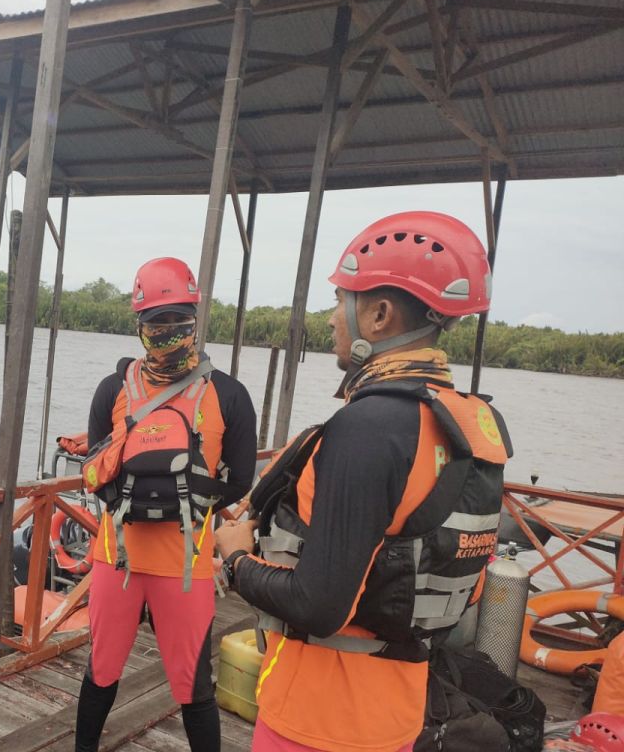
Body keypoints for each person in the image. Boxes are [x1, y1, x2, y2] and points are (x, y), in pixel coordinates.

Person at [213, 211, 512, 752]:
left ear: (379, 314)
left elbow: (319, 605)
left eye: (339, 301)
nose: (331, 320)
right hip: (395, 713)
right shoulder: (464, 421)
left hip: (317, 720)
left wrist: (236, 560)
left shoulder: (369, 427)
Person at [76, 257, 257, 752]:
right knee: (122, 674)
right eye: (159, 323)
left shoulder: (224, 395)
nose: (167, 332)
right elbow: (237, 482)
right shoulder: (223, 393)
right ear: (141, 327)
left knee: (179, 684)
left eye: (175, 322)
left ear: (194, 320)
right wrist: (196, 500)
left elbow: (96, 475)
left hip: (158, 562)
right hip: (142, 560)